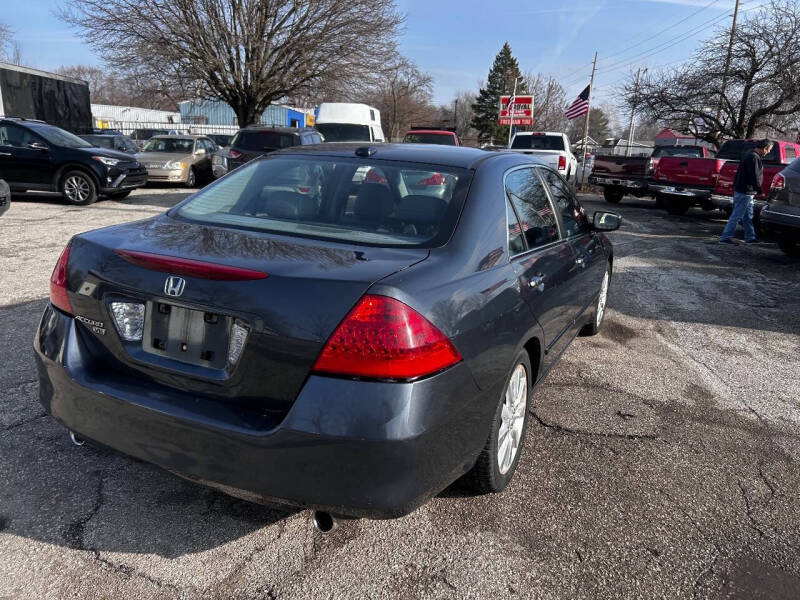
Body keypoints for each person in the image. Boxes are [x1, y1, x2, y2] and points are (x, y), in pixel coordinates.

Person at [719, 138, 773, 244]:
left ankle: (750, 237)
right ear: (765, 148)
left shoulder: (750, 155)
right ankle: (726, 237)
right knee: (737, 215)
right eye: (769, 149)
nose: (769, 152)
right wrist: (760, 190)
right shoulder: (754, 158)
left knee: (747, 216)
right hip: (745, 191)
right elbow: (755, 176)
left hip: (745, 191)